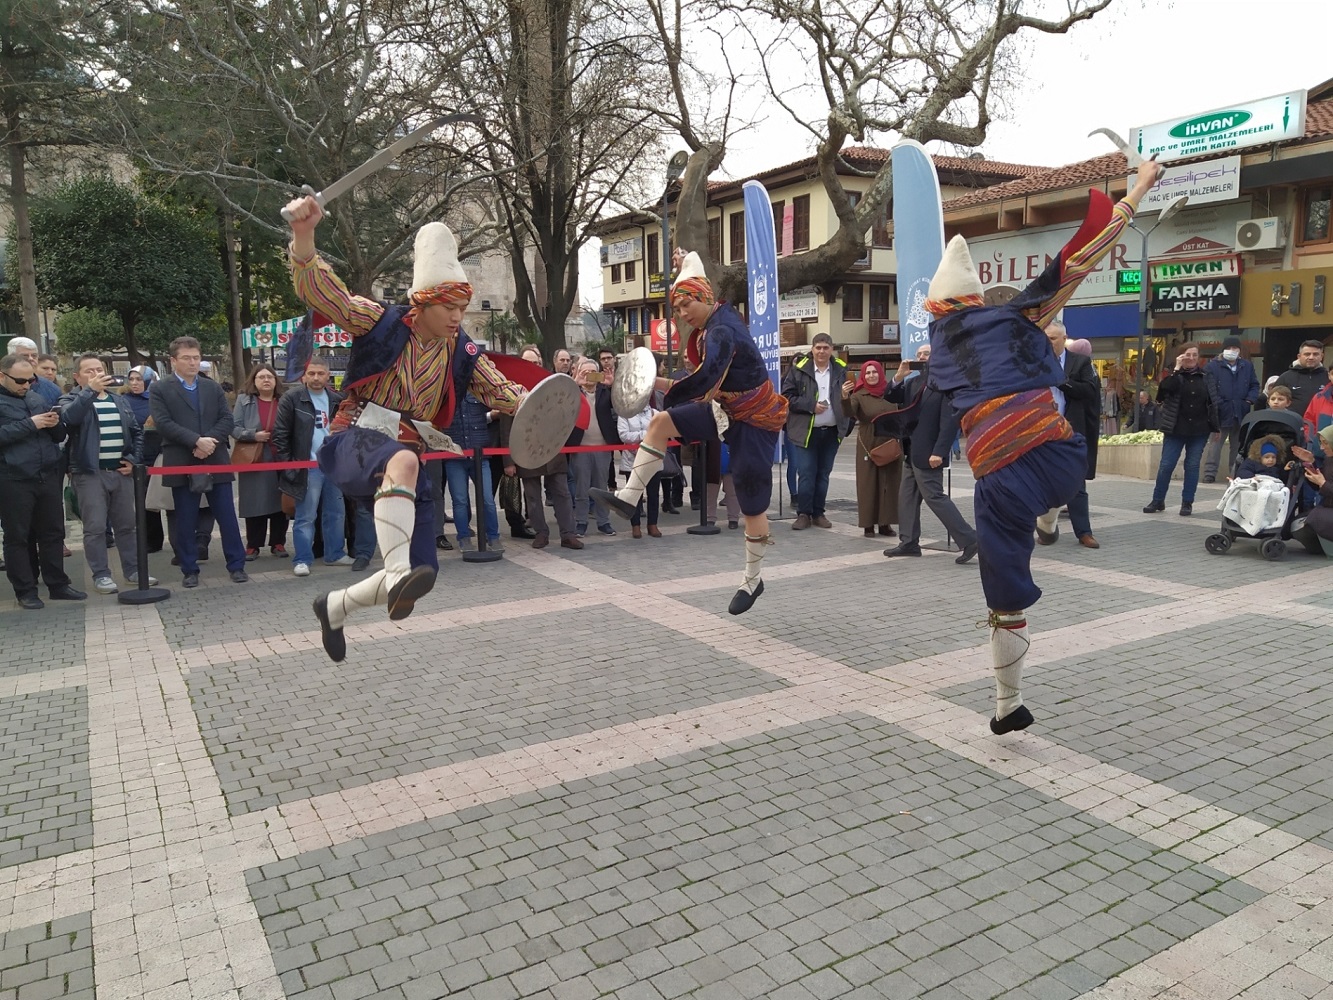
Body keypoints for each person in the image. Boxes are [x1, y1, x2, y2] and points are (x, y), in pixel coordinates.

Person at [924, 156, 1164, 735]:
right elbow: (1083, 255)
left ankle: (1008, 703)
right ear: (976, 301)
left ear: (936, 311)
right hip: (1060, 457)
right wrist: (1138, 187)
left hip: (999, 479)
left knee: (1003, 593)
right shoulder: (1016, 318)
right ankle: (1052, 515)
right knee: (1057, 481)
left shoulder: (939, 348)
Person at [284, 195, 531, 662]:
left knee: (423, 572)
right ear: (424, 301)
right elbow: (328, 296)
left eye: (463, 306)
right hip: (353, 440)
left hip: (408, 464)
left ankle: (334, 606)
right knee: (402, 464)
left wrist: (543, 406)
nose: (458, 316)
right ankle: (394, 571)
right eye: (449, 306)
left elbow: (504, 392)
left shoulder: (462, 350)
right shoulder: (382, 321)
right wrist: (304, 234)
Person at [591, 250, 789, 614]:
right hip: (724, 407)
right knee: (660, 423)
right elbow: (701, 384)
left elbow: (705, 380)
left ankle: (752, 578)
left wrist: (666, 391)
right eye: (677, 308)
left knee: (752, 503)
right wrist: (645, 383)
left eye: (686, 306)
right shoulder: (711, 323)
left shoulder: (723, 331)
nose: (682, 314)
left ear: (704, 297)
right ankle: (630, 496)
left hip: (754, 419)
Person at [150, 336, 250, 588]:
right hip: (182, 458)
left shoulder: (211, 387)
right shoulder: (161, 389)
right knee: (185, 518)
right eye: (186, 358)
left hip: (215, 457)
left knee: (227, 516)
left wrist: (209, 442)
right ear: (173, 361)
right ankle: (189, 569)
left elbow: (226, 419)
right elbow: (163, 423)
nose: (193, 362)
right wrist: (195, 441)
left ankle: (236, 565)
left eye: (196, 357)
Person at [59, 354, 154, 595]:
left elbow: (136, 432)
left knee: (127, 525)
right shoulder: (71, 399)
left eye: (99, 370)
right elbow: (69, 419)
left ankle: (134, 571)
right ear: (77, 376)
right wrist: (89, 391)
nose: (96, 374)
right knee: (95, 528)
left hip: (121, 473)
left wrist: (133, 460)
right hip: (89, 473)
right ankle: (101, 575)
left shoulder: (118, 400)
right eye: (89, 371)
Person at [0, 354, 86, 609]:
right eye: (20, 381)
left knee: (53, 532)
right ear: (2, 376)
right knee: (18, 536)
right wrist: (31, 424)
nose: (26, 385)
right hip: (13, 477)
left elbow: (57, 436)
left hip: (47, 474)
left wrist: (55, 423)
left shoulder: (35, 398)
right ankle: (25, 590)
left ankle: (58, 584)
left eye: (31, 380)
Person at [882, 358, 977, 562]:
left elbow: (950, 422)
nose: (923, 358)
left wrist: (939, 452)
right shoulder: (913, 383)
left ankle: (970, 539)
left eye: (927, 354)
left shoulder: (946, 386)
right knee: (907, 498)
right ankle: (909, 543)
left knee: (934, 497)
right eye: (920, 355)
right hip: (911, 450)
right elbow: (890, 396)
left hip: (929, 452)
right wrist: (898, 376)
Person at [273, 357, 356, 575]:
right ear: (304, 376)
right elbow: (280, 435)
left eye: (320, 373)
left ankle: (334, 554)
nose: (316, 378)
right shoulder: (292, 399)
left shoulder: (337, 400)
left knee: (336, 513)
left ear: (328, 376)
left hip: (334, 466)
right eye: (311, 373)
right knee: (306, 516)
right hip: (307, 466)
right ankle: (302, 559)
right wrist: (290, 467)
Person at [1035, 320, 1102, 549]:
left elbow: (1089, 391)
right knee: (1040, 482)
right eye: (1045, 338)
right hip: (1041, 432)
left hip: (1071, 433)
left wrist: (1060, 380)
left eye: (1053, 338)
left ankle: (1084, 532)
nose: (1048, 343)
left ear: (1064, 339)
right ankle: (1045, 528)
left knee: (1076, 484)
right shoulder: (1034, 362)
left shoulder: (1080, 362)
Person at [1143, 343, 1219, 517]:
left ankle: (1187, 502)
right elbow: (1163, 393)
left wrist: (1217, 426)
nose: (1191, 358)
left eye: (1194, 355)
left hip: (1199, 429)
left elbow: (1214, 402)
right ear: (1180, 357)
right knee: (1166, 465)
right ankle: (1158, 500)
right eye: (1187, 355)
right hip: (1175, 429)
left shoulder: (1206, 376)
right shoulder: (1174, 376)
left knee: (1192, 466)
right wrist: (1176, 369)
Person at [783, 333, 849, 529]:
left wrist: (846, 424)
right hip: (806, 431)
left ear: (831, 350)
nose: (821, 351)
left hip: (832, 432)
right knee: (806, 473)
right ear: (812, 349)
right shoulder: (798, 369)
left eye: (825, 348)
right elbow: (787, 397)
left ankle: (819, 513)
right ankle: (804, 514)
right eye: (818, 348)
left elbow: (851, 399)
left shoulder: (841, 370)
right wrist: (811, 406)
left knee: (823, 474)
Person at [232, 363, 290, 561]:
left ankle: (278, 542)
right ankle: (253, 545)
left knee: (280, 502)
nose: (266, 380)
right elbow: (234, 427)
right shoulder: (244, 401)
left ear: (276, 381)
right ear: (254, 381)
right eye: (261, 377)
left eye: (269, 377)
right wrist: (252, 435)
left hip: (281, 457)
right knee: (254, 502)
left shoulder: (284, 401)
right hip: (254, 458)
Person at [841, 360, 900, 538]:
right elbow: (848, 412)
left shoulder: (890, 392)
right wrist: (844, 397)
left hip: (890, 442)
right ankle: (868, 524)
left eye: (874, 372)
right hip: (868, 442)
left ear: (881, 373)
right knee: (868, 484)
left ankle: (885, 523)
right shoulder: (859, 395)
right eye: (868, 373)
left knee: (889, 484)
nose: (871, 375)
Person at [445, 390, 503, 552]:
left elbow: (493, 408)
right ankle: (464, 538)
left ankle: (493, 536)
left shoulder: (480, 391)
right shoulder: (445, 394)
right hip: (454, 456)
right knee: (460, 501)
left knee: (488, 499)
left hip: (480, 455)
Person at [1202, 336, 1260, 483]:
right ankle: (1210, 473)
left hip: (1240, 412)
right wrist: (1219, 404)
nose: (1232, 351)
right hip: (1220, 413)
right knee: (1215, 445)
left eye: (1235, 348)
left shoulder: (1247, 366)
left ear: (1239, 350)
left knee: (1237, 446)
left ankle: (1235, 474)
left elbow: (1254, 385)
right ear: (1223, 350)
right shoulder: (1212, 367)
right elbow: (1208, 389)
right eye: (1228, 348)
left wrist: (1249, 400)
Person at [571, 358, 617, 537]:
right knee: (581, 488)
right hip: (580, 447)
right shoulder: (574, 391)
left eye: (593, 372)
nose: (589, 375)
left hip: (603, 447)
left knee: (601, 487)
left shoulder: (605, 391)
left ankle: (603, 522)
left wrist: (612, 386)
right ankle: (581, 522)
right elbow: (562, 404)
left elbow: (620, 405)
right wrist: (575, 383)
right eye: (585, 372)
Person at [124, 366, 165, 552]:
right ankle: (150, 540)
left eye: (139, 379)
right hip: (137, 456)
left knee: (167, 499)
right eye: (131, 379)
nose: (134, 383)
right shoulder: (124, 400)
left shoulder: (159, 400)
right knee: (143, 501)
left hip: (160, 454)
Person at [617, 400, 662, 538]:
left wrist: (644, 435)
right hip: (632, 460)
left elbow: (661, 432)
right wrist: (645, 434)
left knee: (653, 494)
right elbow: (624, 435)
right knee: (634, 494)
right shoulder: (624, 414)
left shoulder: (655, 413)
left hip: (652, 459)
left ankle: (652, 524)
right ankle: (635, 526)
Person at [1268, 341, 1328, 418]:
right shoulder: (1286, 377)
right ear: (1299, 356)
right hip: (1291, 422)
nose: (1311, 357)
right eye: (1307, 354)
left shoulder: (1328, 377)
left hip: (1322, 423)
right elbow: (1272, 403)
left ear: (1322, 356)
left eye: (1315, 354)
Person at [6, 338, 61, 405]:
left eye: (34, 356)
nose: (31, 359)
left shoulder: (52, 389)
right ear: (10, 357)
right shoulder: (4, 385)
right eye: (25, 356)